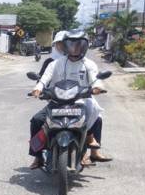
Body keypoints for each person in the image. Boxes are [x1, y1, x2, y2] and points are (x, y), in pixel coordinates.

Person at [29, 29, 112, 169]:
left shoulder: (88, 64)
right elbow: (44, 78)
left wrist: (97, 87)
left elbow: (95, 78)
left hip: (80, 100)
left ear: (84, 46)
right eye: (71, 45)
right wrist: (38, 88)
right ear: (66, 46)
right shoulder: (56, 63)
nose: (74, 49)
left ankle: (92, 146)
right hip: (57, 101)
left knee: (97, 117)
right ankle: (37, 157)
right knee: (37, 120)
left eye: (78, 45)